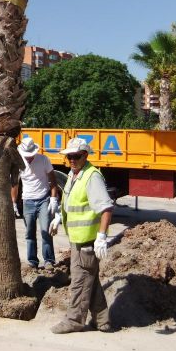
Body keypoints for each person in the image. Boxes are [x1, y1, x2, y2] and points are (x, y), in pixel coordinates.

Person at [49, 137, 114, 334]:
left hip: (87, 240)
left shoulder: (91, 176)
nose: (72, 159)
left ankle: (74, 320)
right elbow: (72, 201)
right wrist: (59, 217)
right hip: (77, 238)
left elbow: (106, 208)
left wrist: (101, 237)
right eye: (69, 156)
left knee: (79, 281)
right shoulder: (74, 174)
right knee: (90, 280)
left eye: (76, 156)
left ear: (85, 155)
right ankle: (103, 321)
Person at [11, 136, 59, 270]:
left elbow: (53, 181)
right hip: (28, 201)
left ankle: (49, 260)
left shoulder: (43, 160)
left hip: (43, 199)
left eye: (31, 156)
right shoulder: (19, 162)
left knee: (46, 231)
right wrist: (14, 202)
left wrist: (53, 199)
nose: (29, 158)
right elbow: (15, 183)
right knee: (29, 233)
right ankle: (32, 261)